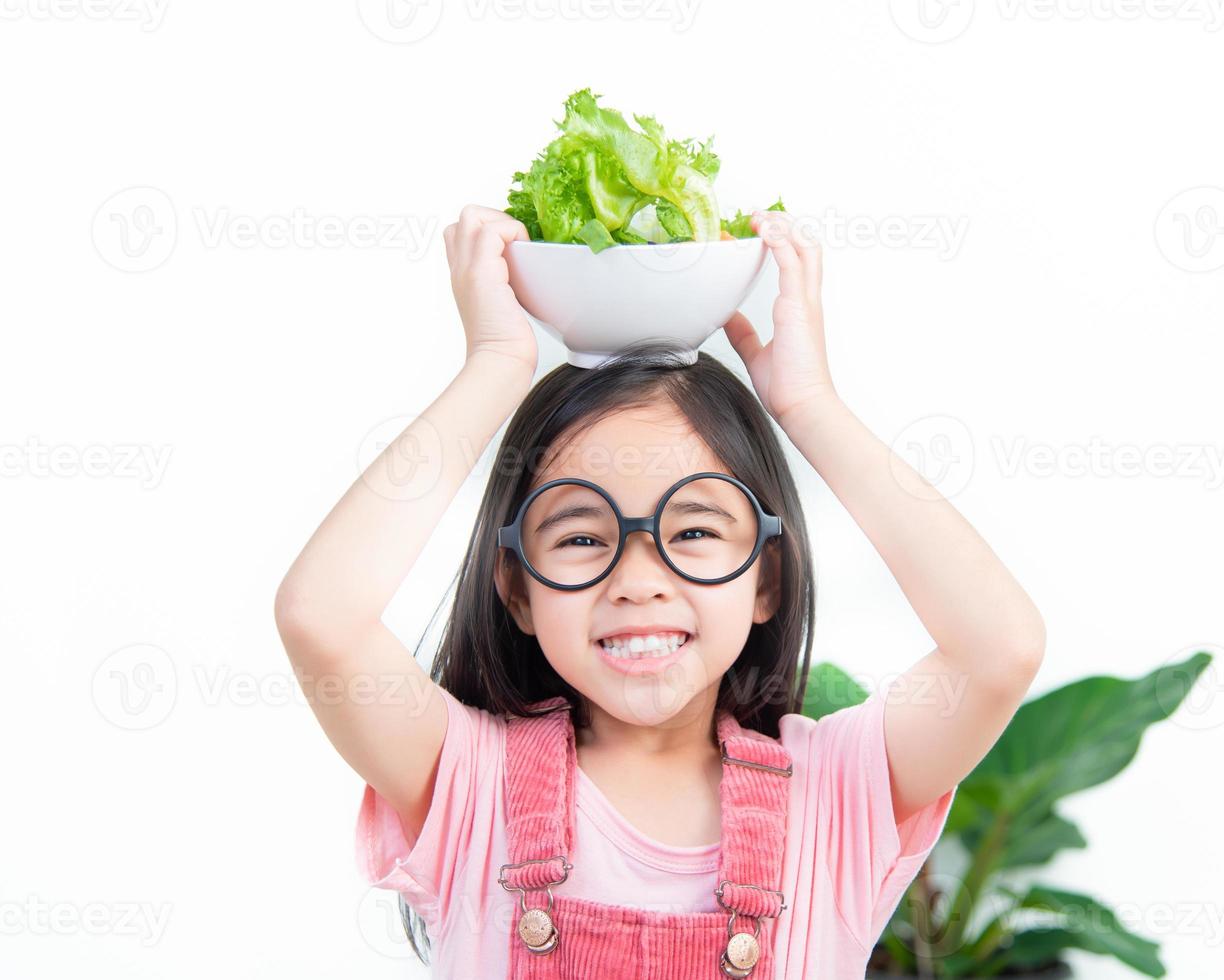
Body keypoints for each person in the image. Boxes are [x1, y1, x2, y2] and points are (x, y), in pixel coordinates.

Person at [273, 205, 1047, 978]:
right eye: (581, 538)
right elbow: (322, 618)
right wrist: (495, 366)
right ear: (516, 589)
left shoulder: (834, 797)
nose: (638, 582)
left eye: (694, 532)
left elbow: (999, 649)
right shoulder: (468, 787)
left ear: (766, 578)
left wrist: (812, 409)